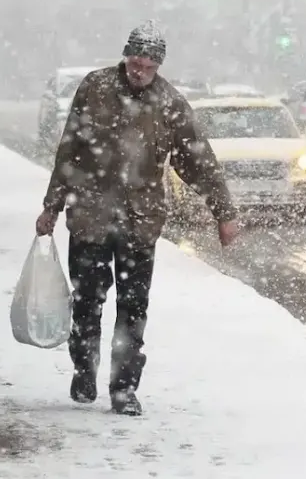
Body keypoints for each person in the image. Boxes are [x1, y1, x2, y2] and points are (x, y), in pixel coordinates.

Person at [34, 21, 240, 416]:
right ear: (125, 55)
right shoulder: (94, 88)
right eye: (135, 57)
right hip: (91, 218)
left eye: (149, 61)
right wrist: (51, 206)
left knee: (132, 309)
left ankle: (124, 389)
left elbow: (198, 161)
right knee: (87, 303)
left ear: (159, 64)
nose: (140, 66)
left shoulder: (170, 103)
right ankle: (84, 367)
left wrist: (224, 213)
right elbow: (70, 150)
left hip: (138, 224)